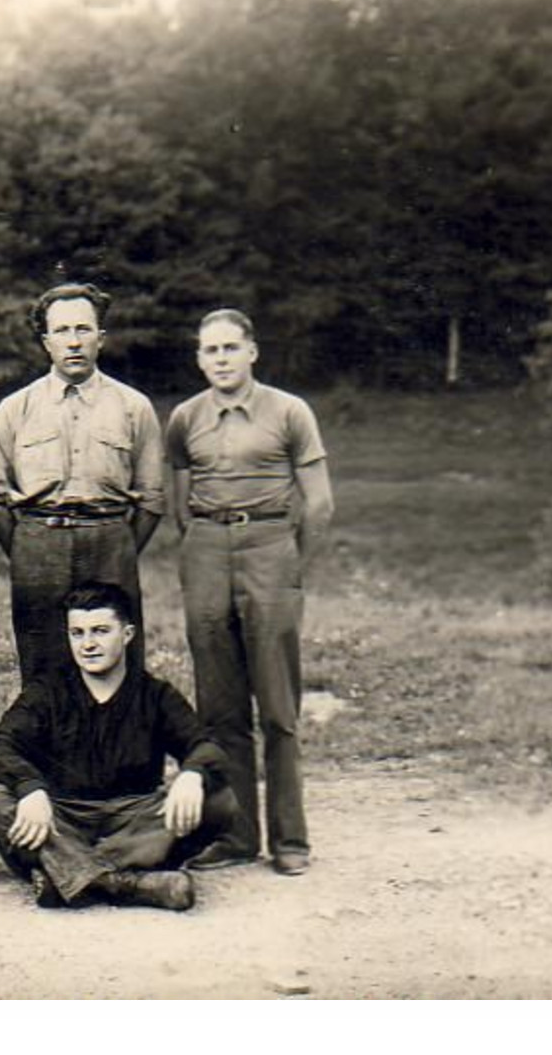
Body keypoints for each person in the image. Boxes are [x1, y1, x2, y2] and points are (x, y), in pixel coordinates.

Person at [164, 308, 334, 877]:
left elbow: (320, 503)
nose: (221, 360)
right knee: (220, 706)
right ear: (199, 358)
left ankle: (291, 840)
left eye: (231, 348)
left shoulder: (289, 412)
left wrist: (291, 566)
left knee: (278, 706)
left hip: (270, 546)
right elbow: (180, 505)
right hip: (208, 546)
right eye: (210, 350)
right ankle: (237, 836)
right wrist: (207, 549)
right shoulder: (185, 419)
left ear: (252, 351)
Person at [0, 582, 254, 910]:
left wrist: (192, 774)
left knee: (219, 801)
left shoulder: (155, 695)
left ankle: (68, 877)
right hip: (62, 818)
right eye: (77, 633)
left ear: (127, 634)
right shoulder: (48, 692)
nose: (88, 644)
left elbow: (206, 745)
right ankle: (127, 883)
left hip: (135, 820)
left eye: (101, 631)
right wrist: (31, 789)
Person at [0, 282, 165, 684]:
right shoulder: (15, 409)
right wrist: (28, 546)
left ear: (101, 337)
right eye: (62, 331)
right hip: (39, 545)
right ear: (46, 342)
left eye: (83, 329)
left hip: (110, 543)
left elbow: (151, 500)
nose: (74, 342)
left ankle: (116, 747)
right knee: (44, 666)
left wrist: (120, 542)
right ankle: (51, 748)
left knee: (117, 667)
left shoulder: (134, 407)